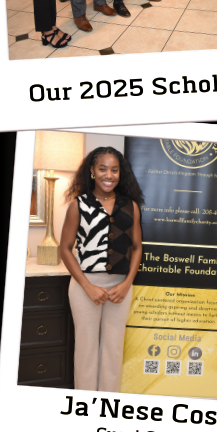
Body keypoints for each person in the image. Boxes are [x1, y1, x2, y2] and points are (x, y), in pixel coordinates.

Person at [58, 147, 144, 392]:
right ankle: (85, 406)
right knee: (85, 349)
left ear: (121, 173)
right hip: (85, 286)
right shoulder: (79, 205)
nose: (109, 174)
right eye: (103, 168)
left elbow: (137, 247)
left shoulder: (131, 207)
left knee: (113, 349)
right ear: (92, 171)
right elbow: (65, 249)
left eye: (114, 169)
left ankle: (108, 406)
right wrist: (88, 287)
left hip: (120, 287)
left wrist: (126, 284)